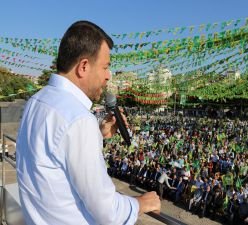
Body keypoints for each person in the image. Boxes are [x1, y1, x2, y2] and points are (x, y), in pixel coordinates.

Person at [16, 20, 160, 225]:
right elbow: (106, 211)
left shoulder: (36, 101)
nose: (108, 76)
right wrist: (140, 203)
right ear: (84, 66)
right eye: (105, 67)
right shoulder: (79, 119)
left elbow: (52, 154)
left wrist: (98, 134)